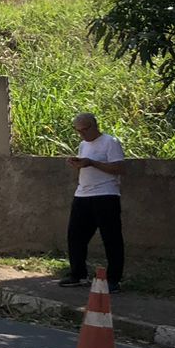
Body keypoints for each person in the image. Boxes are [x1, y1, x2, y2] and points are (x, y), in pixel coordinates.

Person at [60, 111, 125, 293]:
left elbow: (120, 168)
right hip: (83, 194)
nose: (82, 134)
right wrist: (79, 163)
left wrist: (92, 163)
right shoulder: (83, 145)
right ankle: (78, 274)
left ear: (94, 126)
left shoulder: (110, 142)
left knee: (111, 238)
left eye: (84, 130)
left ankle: (113, 279)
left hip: (106, 195)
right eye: (78, 131)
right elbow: (86, 165)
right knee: (75, 236)